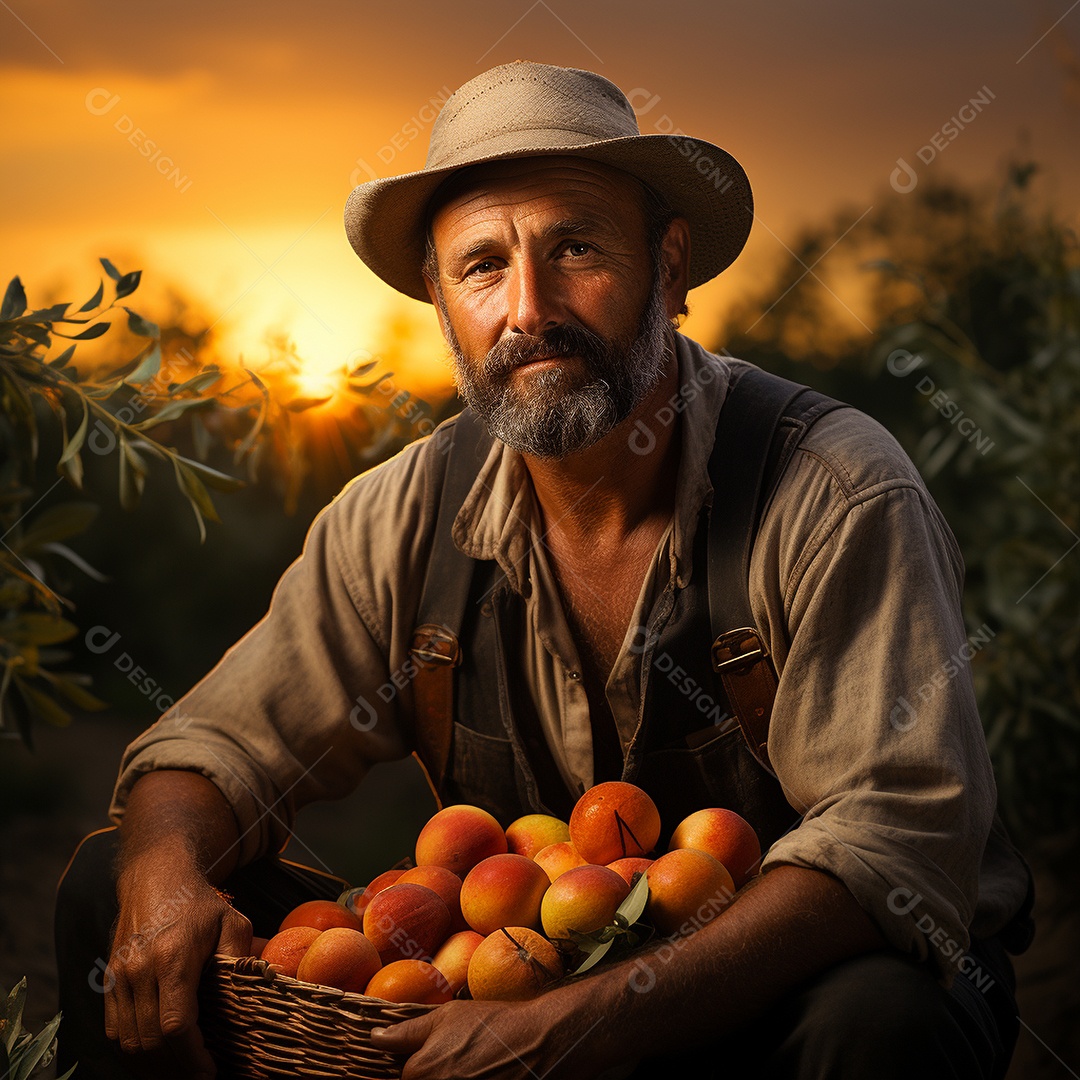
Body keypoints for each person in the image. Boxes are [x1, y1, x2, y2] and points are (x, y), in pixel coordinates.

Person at [56, 61, 1033, 1079]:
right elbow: (214, 744)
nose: (529, 307)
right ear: (443, 303)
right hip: (505, 993)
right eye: (482, 266)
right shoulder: (405, 514)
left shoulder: (831, 489)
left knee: (880, 1020)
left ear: (671, 267)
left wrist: (572, 1025)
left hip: (768, 994)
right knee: (112, 884)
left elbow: (892, 845)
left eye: (574, 247)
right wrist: (169, 868)